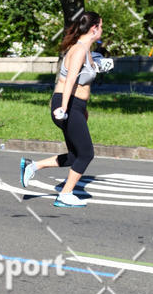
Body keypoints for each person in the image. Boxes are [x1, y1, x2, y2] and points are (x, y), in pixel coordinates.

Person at [19, 11, 104, 209]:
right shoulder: (80, 49)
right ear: (94, 28)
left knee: (75, 155)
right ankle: (65, 194)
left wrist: (83, 110)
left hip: (76, 106)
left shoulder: (87, 50)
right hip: (66, 104)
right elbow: (71, 80)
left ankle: (33, 166)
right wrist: (64, 108)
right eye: (101, 26)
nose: (102, 30)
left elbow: (82, 85)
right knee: (86, 153)